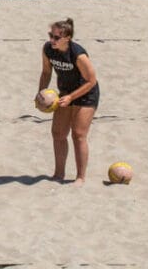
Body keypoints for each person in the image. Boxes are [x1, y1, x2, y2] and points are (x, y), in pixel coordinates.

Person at [37, 17, 99, 186]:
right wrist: (40, 93)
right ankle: (59, 174)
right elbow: (46, 73)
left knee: (78, 135)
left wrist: (72, 97)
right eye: (51, 35)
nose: (52, 40)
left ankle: (80, 177)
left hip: (85, 94)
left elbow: (91, 81)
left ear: (67, 38)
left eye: (56, 37)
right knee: (58, 134)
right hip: (65, 92)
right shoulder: (48, 49)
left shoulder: (78, 54)